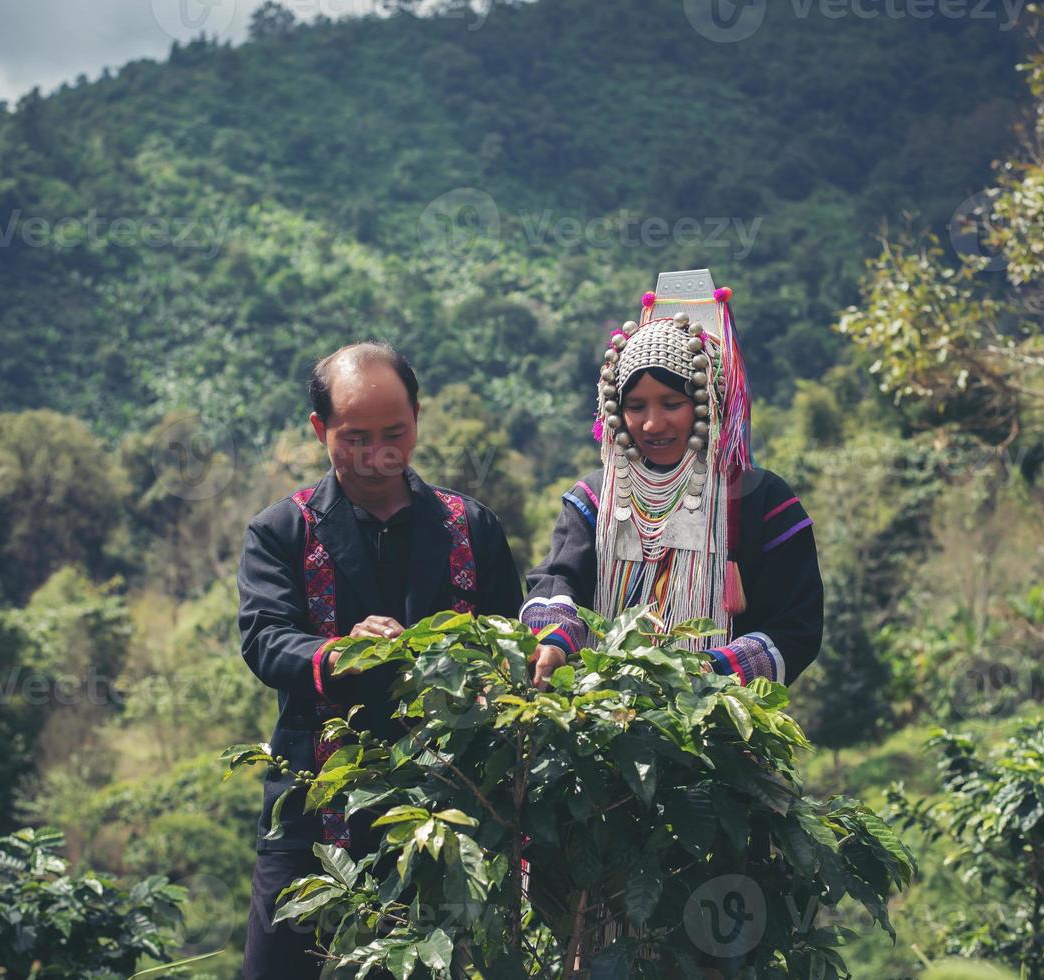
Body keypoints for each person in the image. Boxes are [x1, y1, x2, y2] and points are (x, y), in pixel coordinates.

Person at [236, 341, 528, 978]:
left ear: (418, 417)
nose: (379, 456)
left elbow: (509, 649)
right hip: (311, 812)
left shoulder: (471, 527)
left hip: (449, 809)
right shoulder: (281, 531)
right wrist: (346, 653)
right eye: (355, 438)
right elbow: (265, 639)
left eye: (395, 433)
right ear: (319, 429)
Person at [522, 270, 824, 688]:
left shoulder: (761, 502)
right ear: (615, 409)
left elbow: (796, 626)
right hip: (601, 717)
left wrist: (703, 674)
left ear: (706, 401)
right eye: (636, 405)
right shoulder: (593, 498)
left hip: (718, 728)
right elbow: (559, 578)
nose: (652, 423)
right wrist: (554, 641)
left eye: (672, 403)